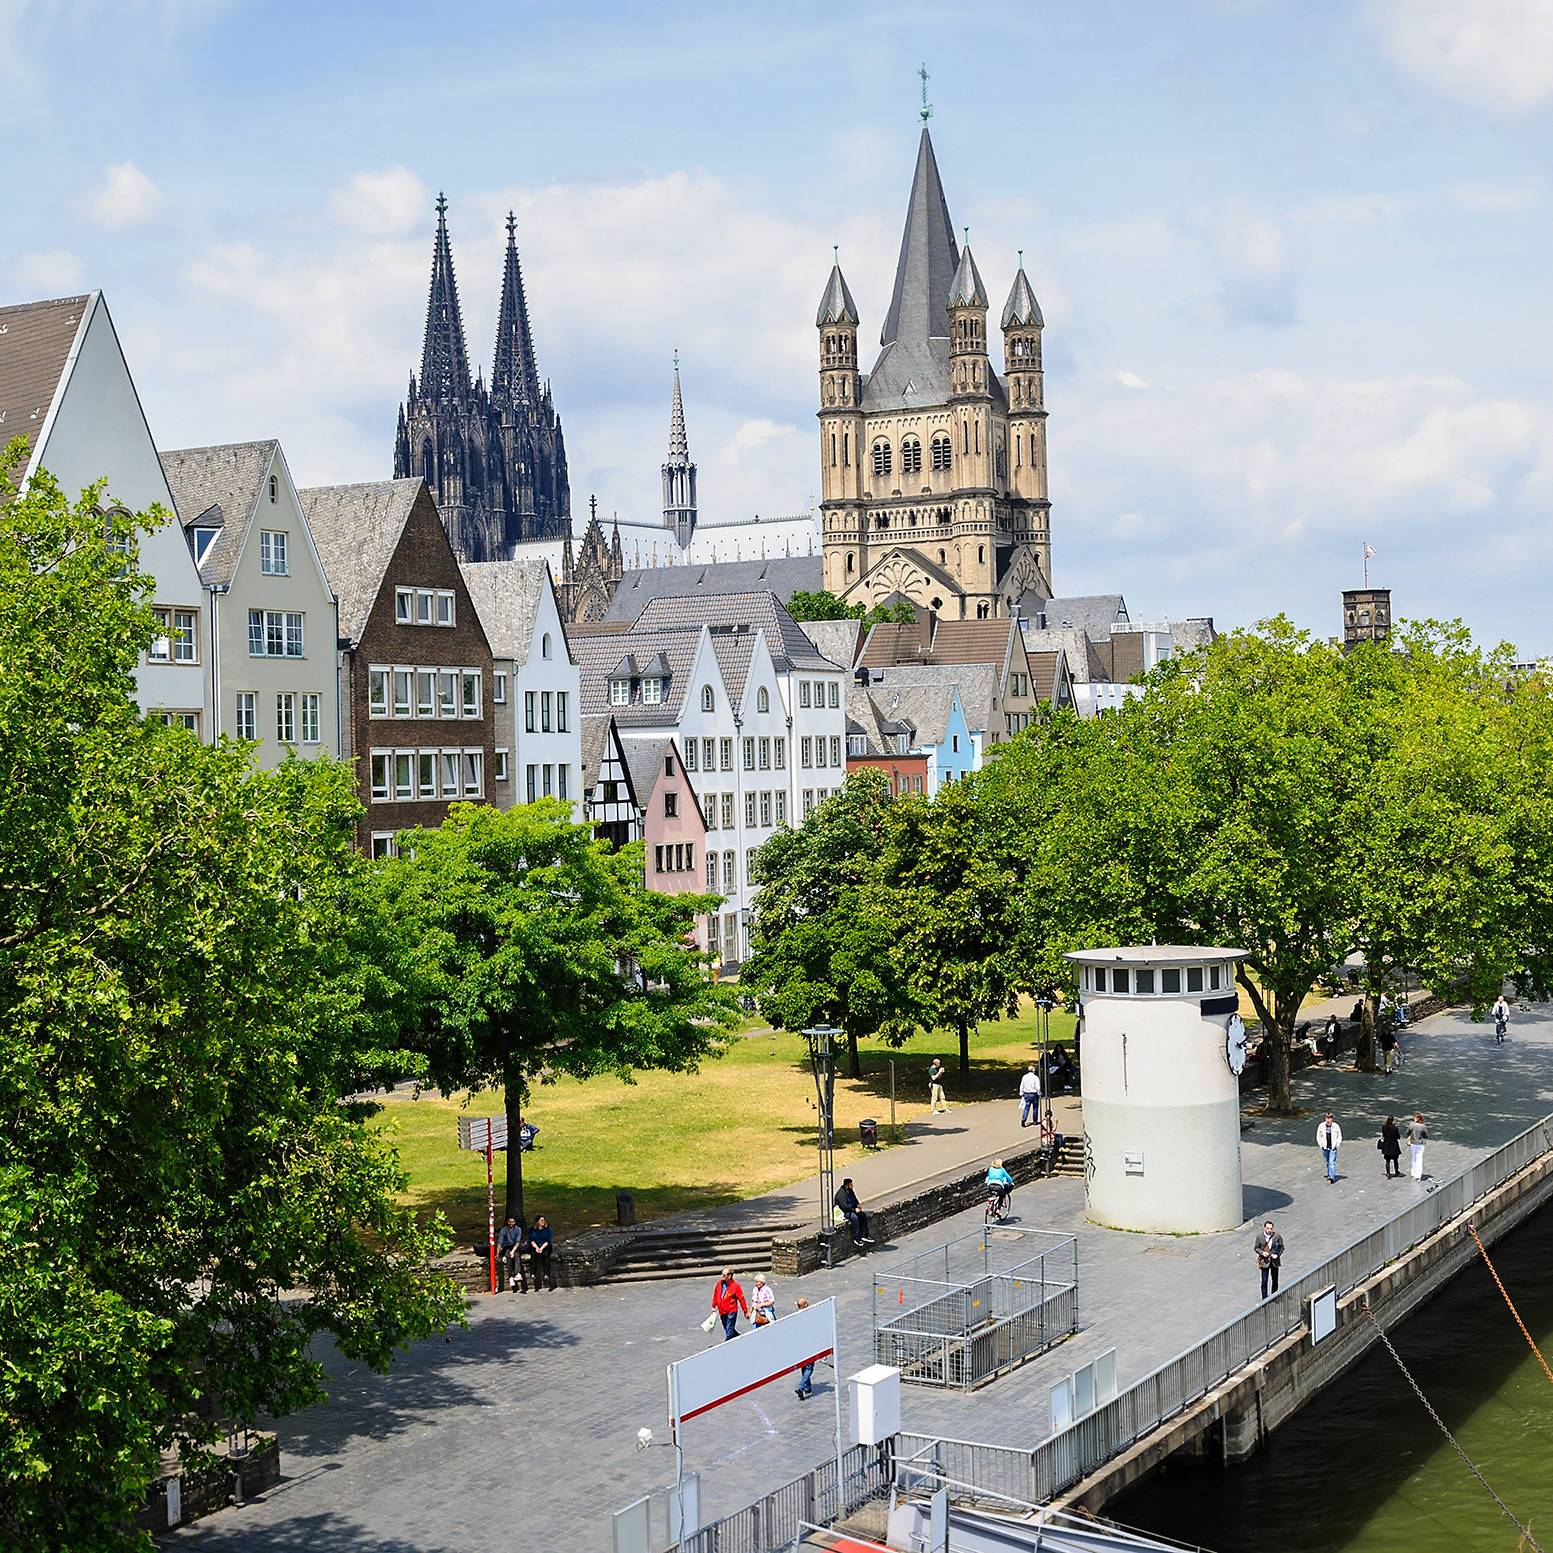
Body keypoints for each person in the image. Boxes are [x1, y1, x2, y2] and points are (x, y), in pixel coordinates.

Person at [711, 1268, 748, 1340]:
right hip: (722, 1311)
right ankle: (739, 1338)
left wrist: (745, 1311)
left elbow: (741, 1299)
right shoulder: (719, 1283)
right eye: (722, 1274)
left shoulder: (735, 1286)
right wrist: (713, 1306)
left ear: (729, 1276)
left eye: (724, 1275)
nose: (722, 1276)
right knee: (726, 1328)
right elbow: (716, 1294)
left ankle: (727, 1345)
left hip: (731, 1311)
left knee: (729, 1330)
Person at [833, 1178, 873, 1246]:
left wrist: (858, 1204)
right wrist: (854, 1210)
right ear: (847, 1185)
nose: (852, 1186)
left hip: (853, 1208)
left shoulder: (850, 1191)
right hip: (845, 1211)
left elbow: (855, 1199)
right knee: (854, 1218)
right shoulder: (841, 1194)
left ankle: (865, 1235)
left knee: (863, 1215)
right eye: (851, 1185)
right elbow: (844, 1206)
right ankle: (856, 1238)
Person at [1254, 1220, 1284, 1299]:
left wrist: (1277, 1255)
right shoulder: (1259, 1236)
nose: (1269, 1230)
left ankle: (1274, 1296)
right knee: (1264, 1281)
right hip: (1265, 1261)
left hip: (1274, 1261)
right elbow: (1256, 1248)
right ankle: (1264, 1297)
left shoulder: (1277, 1236)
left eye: (1271, 1229)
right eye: (1267, 1228)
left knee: (1275, 1280)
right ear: (1264, 1228)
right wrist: (1262, 1253)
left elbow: (1282, 1247)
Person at [495, 1215, 526, 1293]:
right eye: (510, 1222)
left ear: (515, 1222)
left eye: (512, 1222)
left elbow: (518, 1241)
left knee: (516, 1255)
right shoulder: (504, 1230)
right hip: (507, 1246)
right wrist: (497, 1253)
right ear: (507, 1222)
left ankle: (517, 1273)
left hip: (515, 1246)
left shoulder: (518, 1229)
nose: (511, 1223)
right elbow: (500, 1242)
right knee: (508, 1256)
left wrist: (513, 1251)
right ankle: (510, 1277)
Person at [794, 1297, 815, 1398]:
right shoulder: (809, 1316)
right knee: (809, 1368)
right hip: (808, 1345)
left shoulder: (796, 1316)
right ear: (805, 1305)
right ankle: (801, 1387)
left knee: (804, 1366)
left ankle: (807, 1387)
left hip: (799, 1346)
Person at [527, 1215, 556, 1289]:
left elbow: (548, 1240)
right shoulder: (532, 1229)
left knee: (545, 1255)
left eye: (543, 1220)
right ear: (537, 1222)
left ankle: (546, 1274)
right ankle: (533, 1273)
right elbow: (531, 1240)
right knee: (534, 1255)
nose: (543, 1222)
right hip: (535, 1246)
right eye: (541, 1220)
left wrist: (541, 1248)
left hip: (545, 1246)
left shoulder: (547, 1229)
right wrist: (536, 1247)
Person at [1316, 1111, 1343, 1183]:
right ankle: (1329, 1174)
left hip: (1332, 1147)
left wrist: (1337, 1144)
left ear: (1332, 1119)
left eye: (1329, 1118)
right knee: (1328, 1161)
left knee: (1332, 1161)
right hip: (1325, 1147)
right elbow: (1318, 1135)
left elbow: (1339, 1136)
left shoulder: (1336, 1126)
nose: (1328, 1120)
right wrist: (1321, 1144)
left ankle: (1332, 1177)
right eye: (1327, 1118)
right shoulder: (1321, 1126)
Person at [1408, 1112, 1428, 1181]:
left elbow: (1407, 1132)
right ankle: (1418, 1176)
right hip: (1421, 1144)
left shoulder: (1412, 1125)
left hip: (1413, 1143)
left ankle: (1413, 1173)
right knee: (1419, 1159)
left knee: (1413, 1158)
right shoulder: (1423, 1126)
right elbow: (1426, 1135)